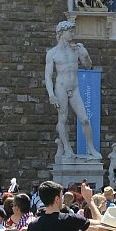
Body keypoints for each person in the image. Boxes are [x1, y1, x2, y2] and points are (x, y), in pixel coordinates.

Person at [45, 20, 101, 159]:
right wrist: (51, 94)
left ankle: (91, 148)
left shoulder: (76, 49)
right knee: (63, 119)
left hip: (74, 88)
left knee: (85, 120)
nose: (72, 34)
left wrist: (85, 54)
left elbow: (88, 66)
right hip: (61, 88)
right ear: (62, 33)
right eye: (70, 31)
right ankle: (67, 148)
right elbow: (48, 76)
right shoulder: (52, 53)